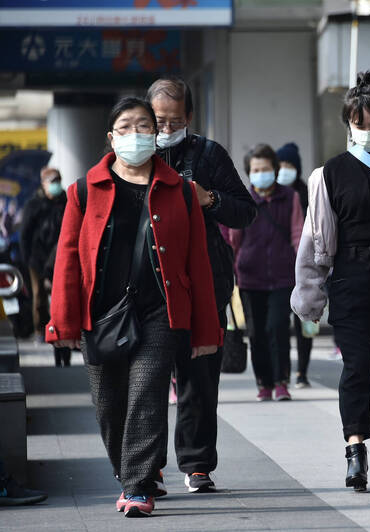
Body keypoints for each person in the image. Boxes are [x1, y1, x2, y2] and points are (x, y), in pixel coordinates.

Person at [46, 97, 221, 517]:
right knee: (109, 405)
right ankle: (130, 471)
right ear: (111, 137)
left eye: (145, 126)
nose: (136, 133)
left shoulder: (179, 190)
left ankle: (139, 485)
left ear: (156, 135)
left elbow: (198, 261)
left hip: (161, 309)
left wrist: (206, 330)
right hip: (101, 312)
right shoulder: (83, 190)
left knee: (146, 392)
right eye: (126, 126)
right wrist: (62, 323)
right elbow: (68, 259)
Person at [292, 71, 370, 492]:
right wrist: (308, 292)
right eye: (359, 124)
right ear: (348, 124)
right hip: (350, 281)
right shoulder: (327, 175)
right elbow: (315, 237)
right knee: (356, 367)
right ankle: (355, 450)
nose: (366, 131)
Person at [146, 77, 257, 493]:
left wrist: (209, 199)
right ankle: (148, 466)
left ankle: (196, 464)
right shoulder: (133, 156)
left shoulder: (209, 154)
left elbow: (245, 211)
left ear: (189, 117)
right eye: (158, 120)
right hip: (149, 286)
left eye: (174, 120)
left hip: (204, 281)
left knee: (199, 378)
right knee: (149, 378)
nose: (165, 128)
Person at [224, 144, 303, 401]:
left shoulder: (290, 197)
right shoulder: (243, 200)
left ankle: (281, 382)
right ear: (249, 172)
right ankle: (264, 384)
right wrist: (232, 270)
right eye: (256, 169)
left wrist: (303, 270)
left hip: (283, 277)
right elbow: (233, 238)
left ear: (274, 169)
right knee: (256, 333)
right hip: (249, 277)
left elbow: (297, 234)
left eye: (265, 168)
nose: (261, 173)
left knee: (278, 328)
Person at [19, 167, 69, 366]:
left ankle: (61, 330)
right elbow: (25, 233)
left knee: (61, 296)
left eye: (58, 179)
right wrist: (26, 259)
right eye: (52, 180)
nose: (56, 183)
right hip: (37, 258)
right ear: (43, 183)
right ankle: (40, 330)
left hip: (59, 257)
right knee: (39, 295)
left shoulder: (65, 201)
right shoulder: (34, 204)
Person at [275, 142, 313, 388]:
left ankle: (302, 372)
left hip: (306, 269)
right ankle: (285, 371)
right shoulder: (274, 194)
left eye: (289, 165)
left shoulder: (306, 193)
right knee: (280, 326)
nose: (284, 170)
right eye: (281, 165)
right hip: (281, 269)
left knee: (306, 324)